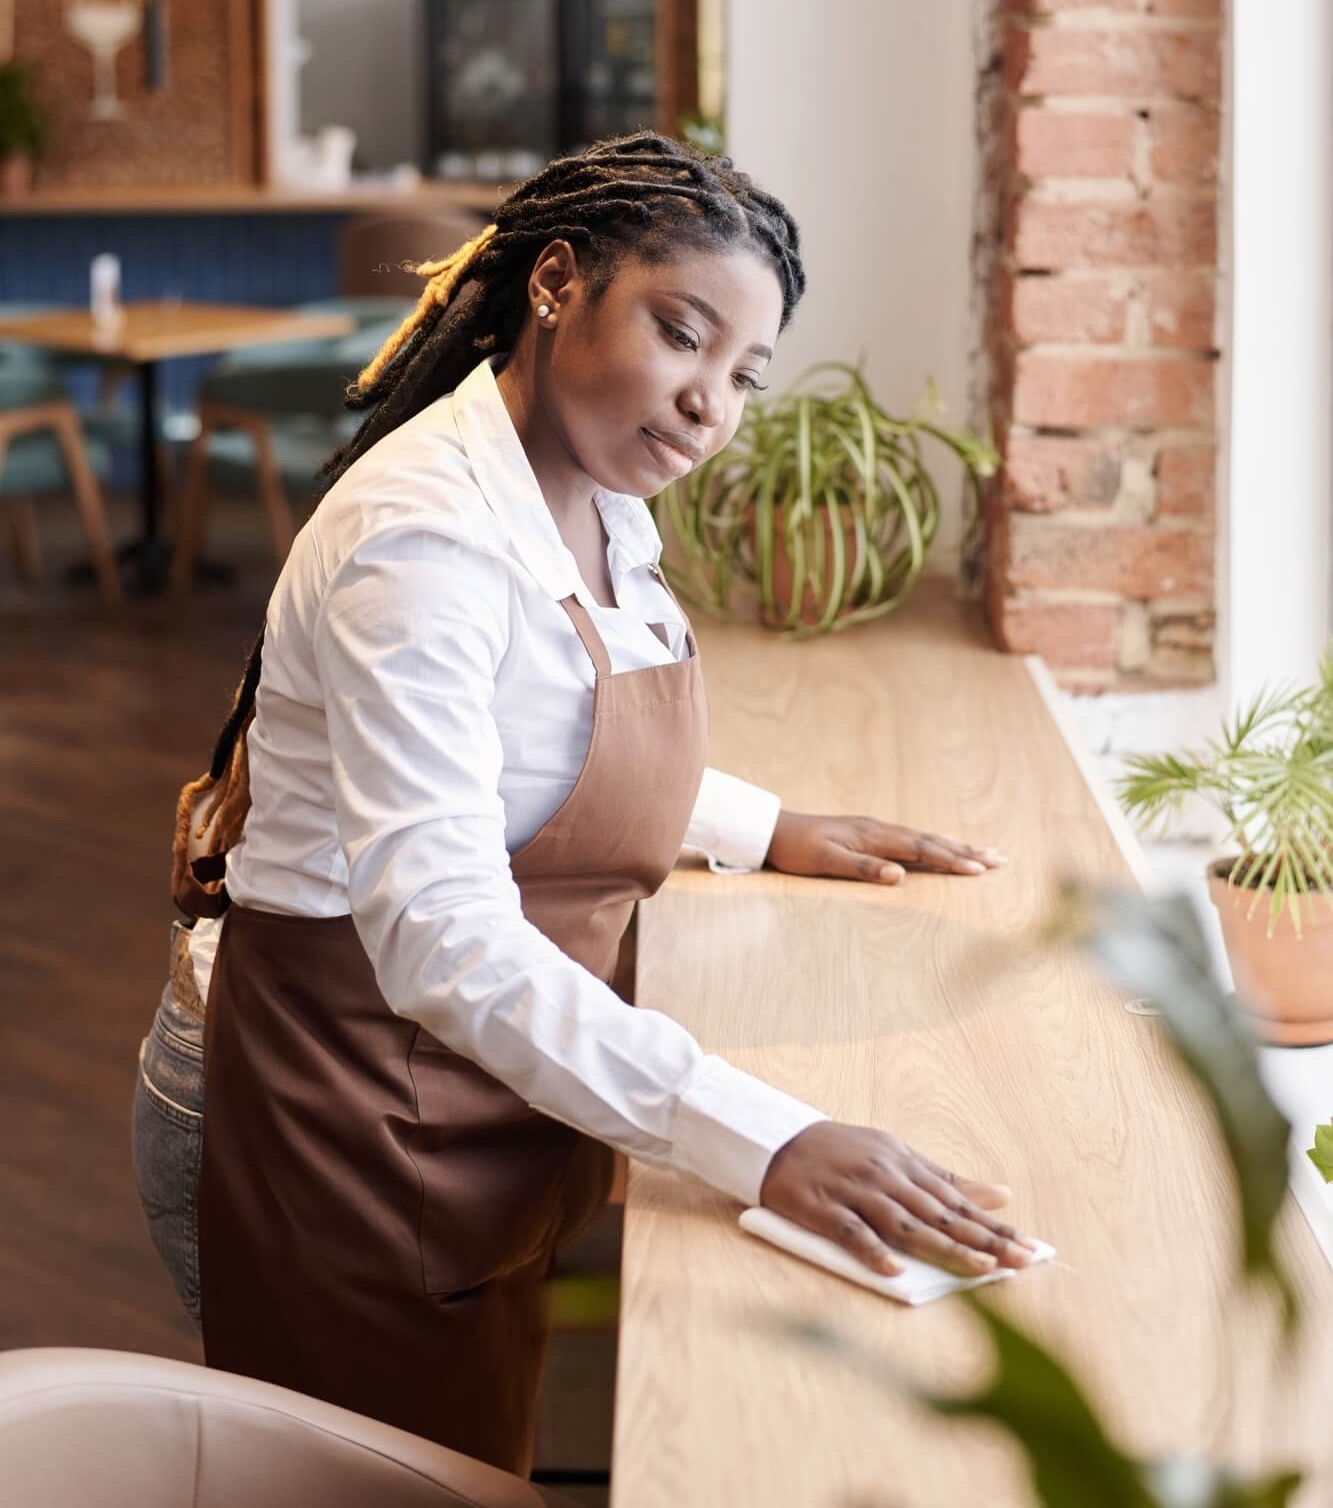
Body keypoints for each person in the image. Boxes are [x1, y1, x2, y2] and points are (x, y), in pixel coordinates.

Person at [133, 133, 1037, 1479]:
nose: (704, 407)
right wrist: (765, 1136)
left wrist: (756, 824)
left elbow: (528, 738)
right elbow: (441, 936)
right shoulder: (422, 543)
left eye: (739, 376)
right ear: (557, 283)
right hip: (333, 1110)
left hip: (449, 1097)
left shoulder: (592, 492)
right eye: (681, 336)